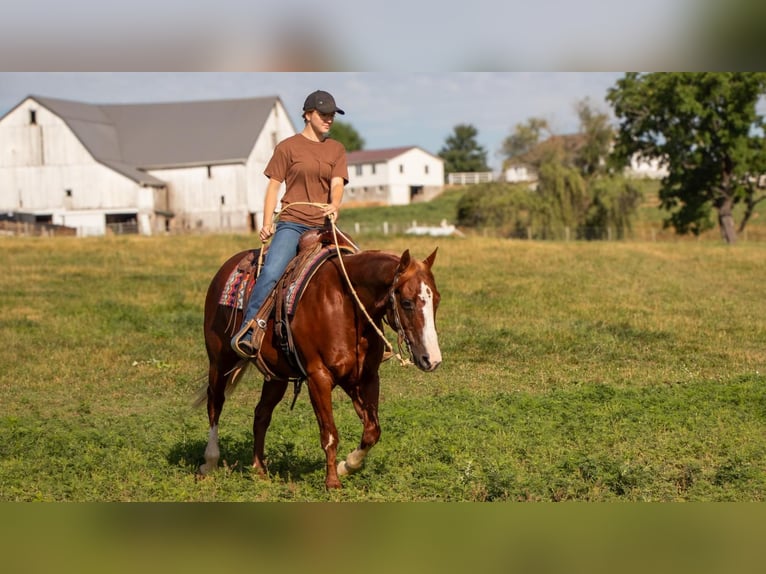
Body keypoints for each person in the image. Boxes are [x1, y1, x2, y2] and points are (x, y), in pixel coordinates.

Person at [232, 90, 349, 358]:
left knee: (356, 265)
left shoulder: (336, 149)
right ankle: (249, 329)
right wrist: (266, 222)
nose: (328, 119)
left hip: (323, 227)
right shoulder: (287, 147)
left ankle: (364, 335)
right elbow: (273, 187)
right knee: (272, 270)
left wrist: (335, 205)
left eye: (332, 115)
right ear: (308, 115)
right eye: (323, 114)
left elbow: (337, 183)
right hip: (293, 223)